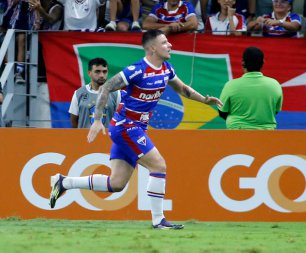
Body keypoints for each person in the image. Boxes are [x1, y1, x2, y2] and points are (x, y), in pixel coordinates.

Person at [49, 29, 223, 229]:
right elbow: (106, 88)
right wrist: (97, 120)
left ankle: (64, 182)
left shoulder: (166, 68)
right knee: (159, 165)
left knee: (116, 184)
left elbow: (183, 89)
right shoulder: (137, 70)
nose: (170, 45)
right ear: (152, 48)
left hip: (136, 127)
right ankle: (159, 220)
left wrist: (204, 99)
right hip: (126, 127)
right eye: (165, 42)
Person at [218, 47, 283, 129]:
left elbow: (222, 112)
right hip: (266, 135)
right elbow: (275, 111)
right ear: (263, 62)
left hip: (237, 134)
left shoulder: (231, 85)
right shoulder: (275, 84)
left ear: (243, 63)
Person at [68, 58, 120, 128]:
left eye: (104, 72)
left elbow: (120, 120)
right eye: (97, 71)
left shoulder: (116, 94)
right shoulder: (78, 93)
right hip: (84, 138)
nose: (102, 75)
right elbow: (74, 121)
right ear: (89, 73)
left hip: (107, 138)